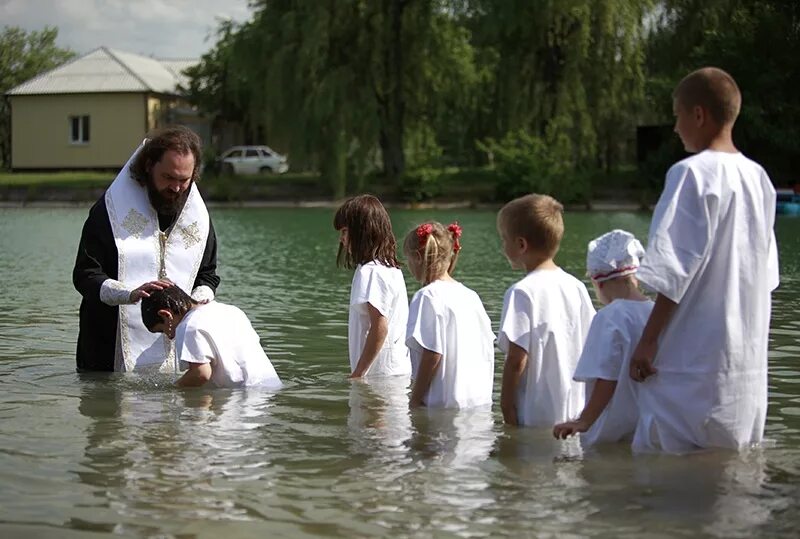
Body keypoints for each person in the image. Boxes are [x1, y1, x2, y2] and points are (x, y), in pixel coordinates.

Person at [629, 67, 779, 453]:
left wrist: (647, 341)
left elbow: (672, 269)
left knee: (673, 475)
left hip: (692, 357)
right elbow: (767, 275)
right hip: (744, 364)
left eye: (677, 116)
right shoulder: (758, 177)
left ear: (699, 114)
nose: (675, 128)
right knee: (729, 479)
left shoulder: (690, 174)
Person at [73, 126, 220, 373]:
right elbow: (85, 275)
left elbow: (208, 274)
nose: (176, 188)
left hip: (175, 349)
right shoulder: (109, 212)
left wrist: (195, 302)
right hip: (106, 349)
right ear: (149, 166)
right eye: (168, 178)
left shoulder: (197, 218)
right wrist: (129, 293)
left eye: (184, 180)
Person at [496, 194, 595, 427]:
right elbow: (591, 342)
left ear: (521, 245)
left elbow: (516, 360)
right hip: (574, 408)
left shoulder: (522, 292)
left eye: (504, 239)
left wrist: (506, 406)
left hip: (535, 412)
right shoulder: (576, 286)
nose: (503, 246)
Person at [553, 230, 653, 445]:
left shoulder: (609, 317)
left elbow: (606, 377)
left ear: (599, 282)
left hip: (609, 433)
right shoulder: (656, 314)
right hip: (647, 432)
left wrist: (584, 421)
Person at [402, 221, 495, 409]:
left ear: (418, 257)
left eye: (408, 260)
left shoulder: (427, 296)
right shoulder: (471, 296)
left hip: (442, 405)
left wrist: (415, 399)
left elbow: (432, 354)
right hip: (477, 403)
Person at [141, 285, 282, 389]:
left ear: (166, 315)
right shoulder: (230, 310)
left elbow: (201, 374)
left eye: (163, 329)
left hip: (242, 397)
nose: (169, 336)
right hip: (270, 390)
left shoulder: (189, 326)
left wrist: (171, 389)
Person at [333, 195, 411, 378]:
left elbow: (380, 326)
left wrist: (358, 374)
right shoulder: (389, 268)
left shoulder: (370, 272)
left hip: (379, 376)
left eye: (345, 231)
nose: (341, 239)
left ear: (362, 231)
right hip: (395, 371)